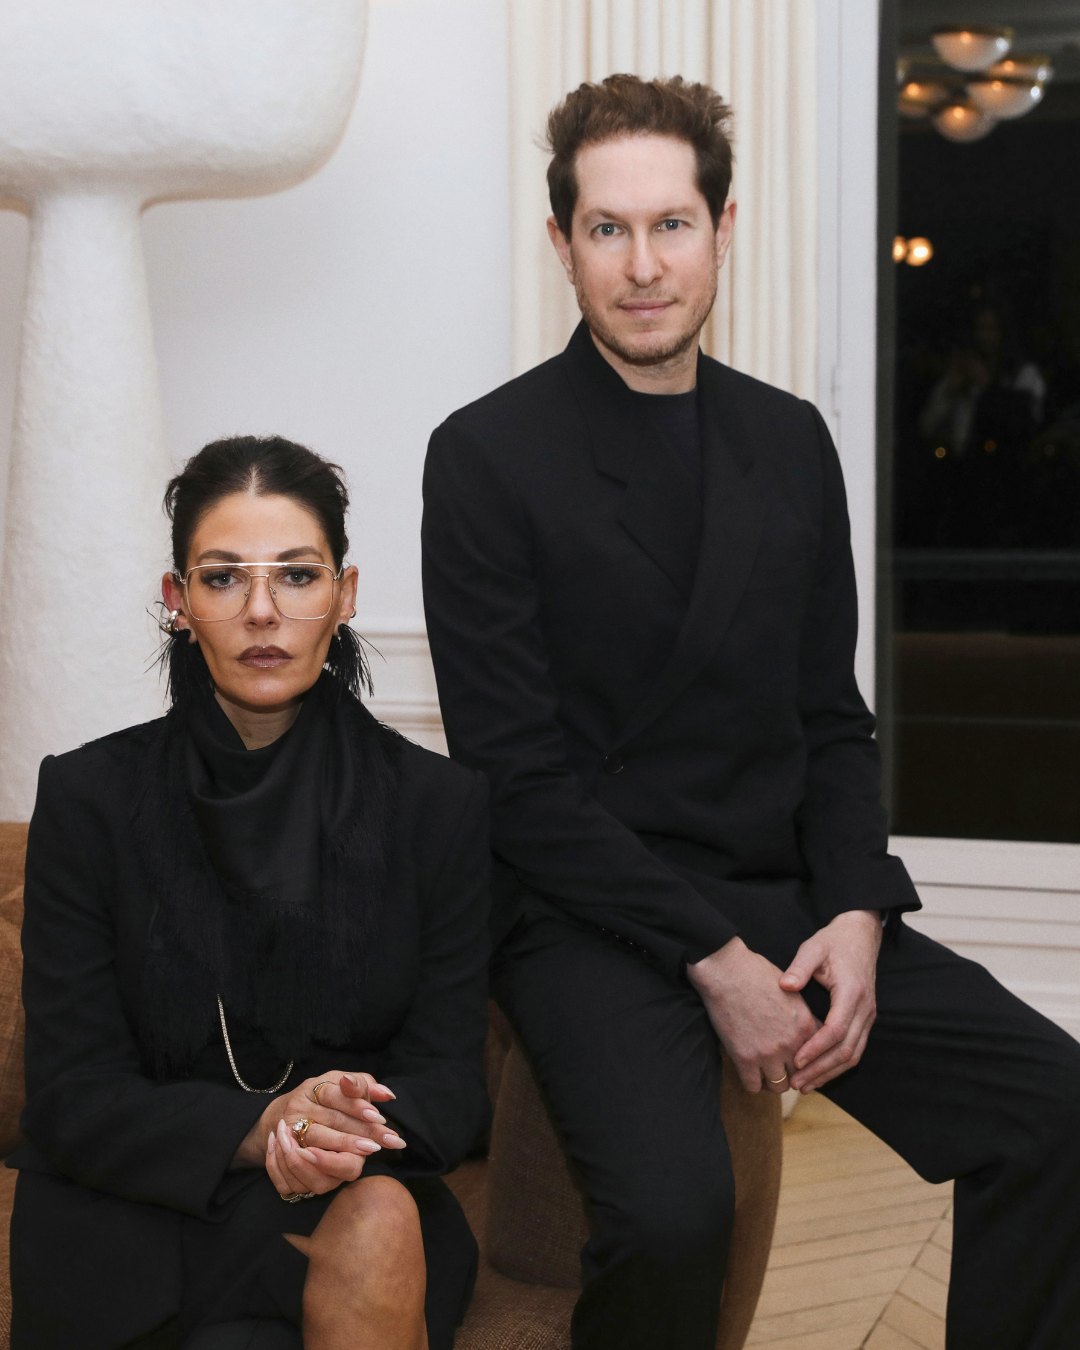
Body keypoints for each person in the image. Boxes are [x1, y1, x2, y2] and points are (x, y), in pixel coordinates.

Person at [421, 74, 1080, 1350]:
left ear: (722, 228)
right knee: (676, 1219)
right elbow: (516, 781)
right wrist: (719, 964)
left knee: (1055, 1109)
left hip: (778, 889)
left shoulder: (790, 441)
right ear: (561, 242)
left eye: (672, 224)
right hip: (585, 914)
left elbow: (830, 719)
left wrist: (859, 912)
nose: (643, 265)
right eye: (608, 229)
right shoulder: (488, 454)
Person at [11, 435, 490, 1350]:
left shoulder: (438, 807)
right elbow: (70, 1094)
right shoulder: (88, 798)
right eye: (224, 578)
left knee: (376, 1226)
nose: (262, 611)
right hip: (131, 1210)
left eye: (298, 576)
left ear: (345, 596)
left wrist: (328, 1135)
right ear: (178, 601)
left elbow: (450, 1084)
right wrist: (259, 1125)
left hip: (347, 1195)